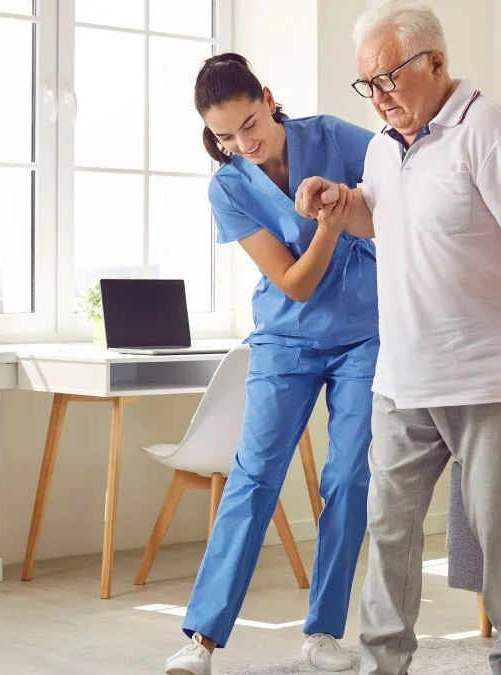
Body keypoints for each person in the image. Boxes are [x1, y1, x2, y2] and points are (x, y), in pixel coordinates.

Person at [295, 2, 501, 673]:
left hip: (488, 380)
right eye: (368, 85)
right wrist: (342, 203)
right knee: (387, 530)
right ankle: (384, 662)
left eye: (388, 79)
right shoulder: (384, 148)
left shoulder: (492, 131)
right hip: (403, 378)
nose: (379, 98)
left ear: (435, 62)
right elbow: (384, 216)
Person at [164, 53, 379, 675]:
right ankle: (201, 640)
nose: (243, 143)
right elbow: (294, 283)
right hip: (285, 339)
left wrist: (348, 204)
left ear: (268, 96)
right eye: (225, 136)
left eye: (250, 124)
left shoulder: (335, 136)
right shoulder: (228, 185)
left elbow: (403, 175)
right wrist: (332, 229)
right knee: (255, 477)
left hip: (365, 334)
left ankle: (323, 633)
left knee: (345, 478)